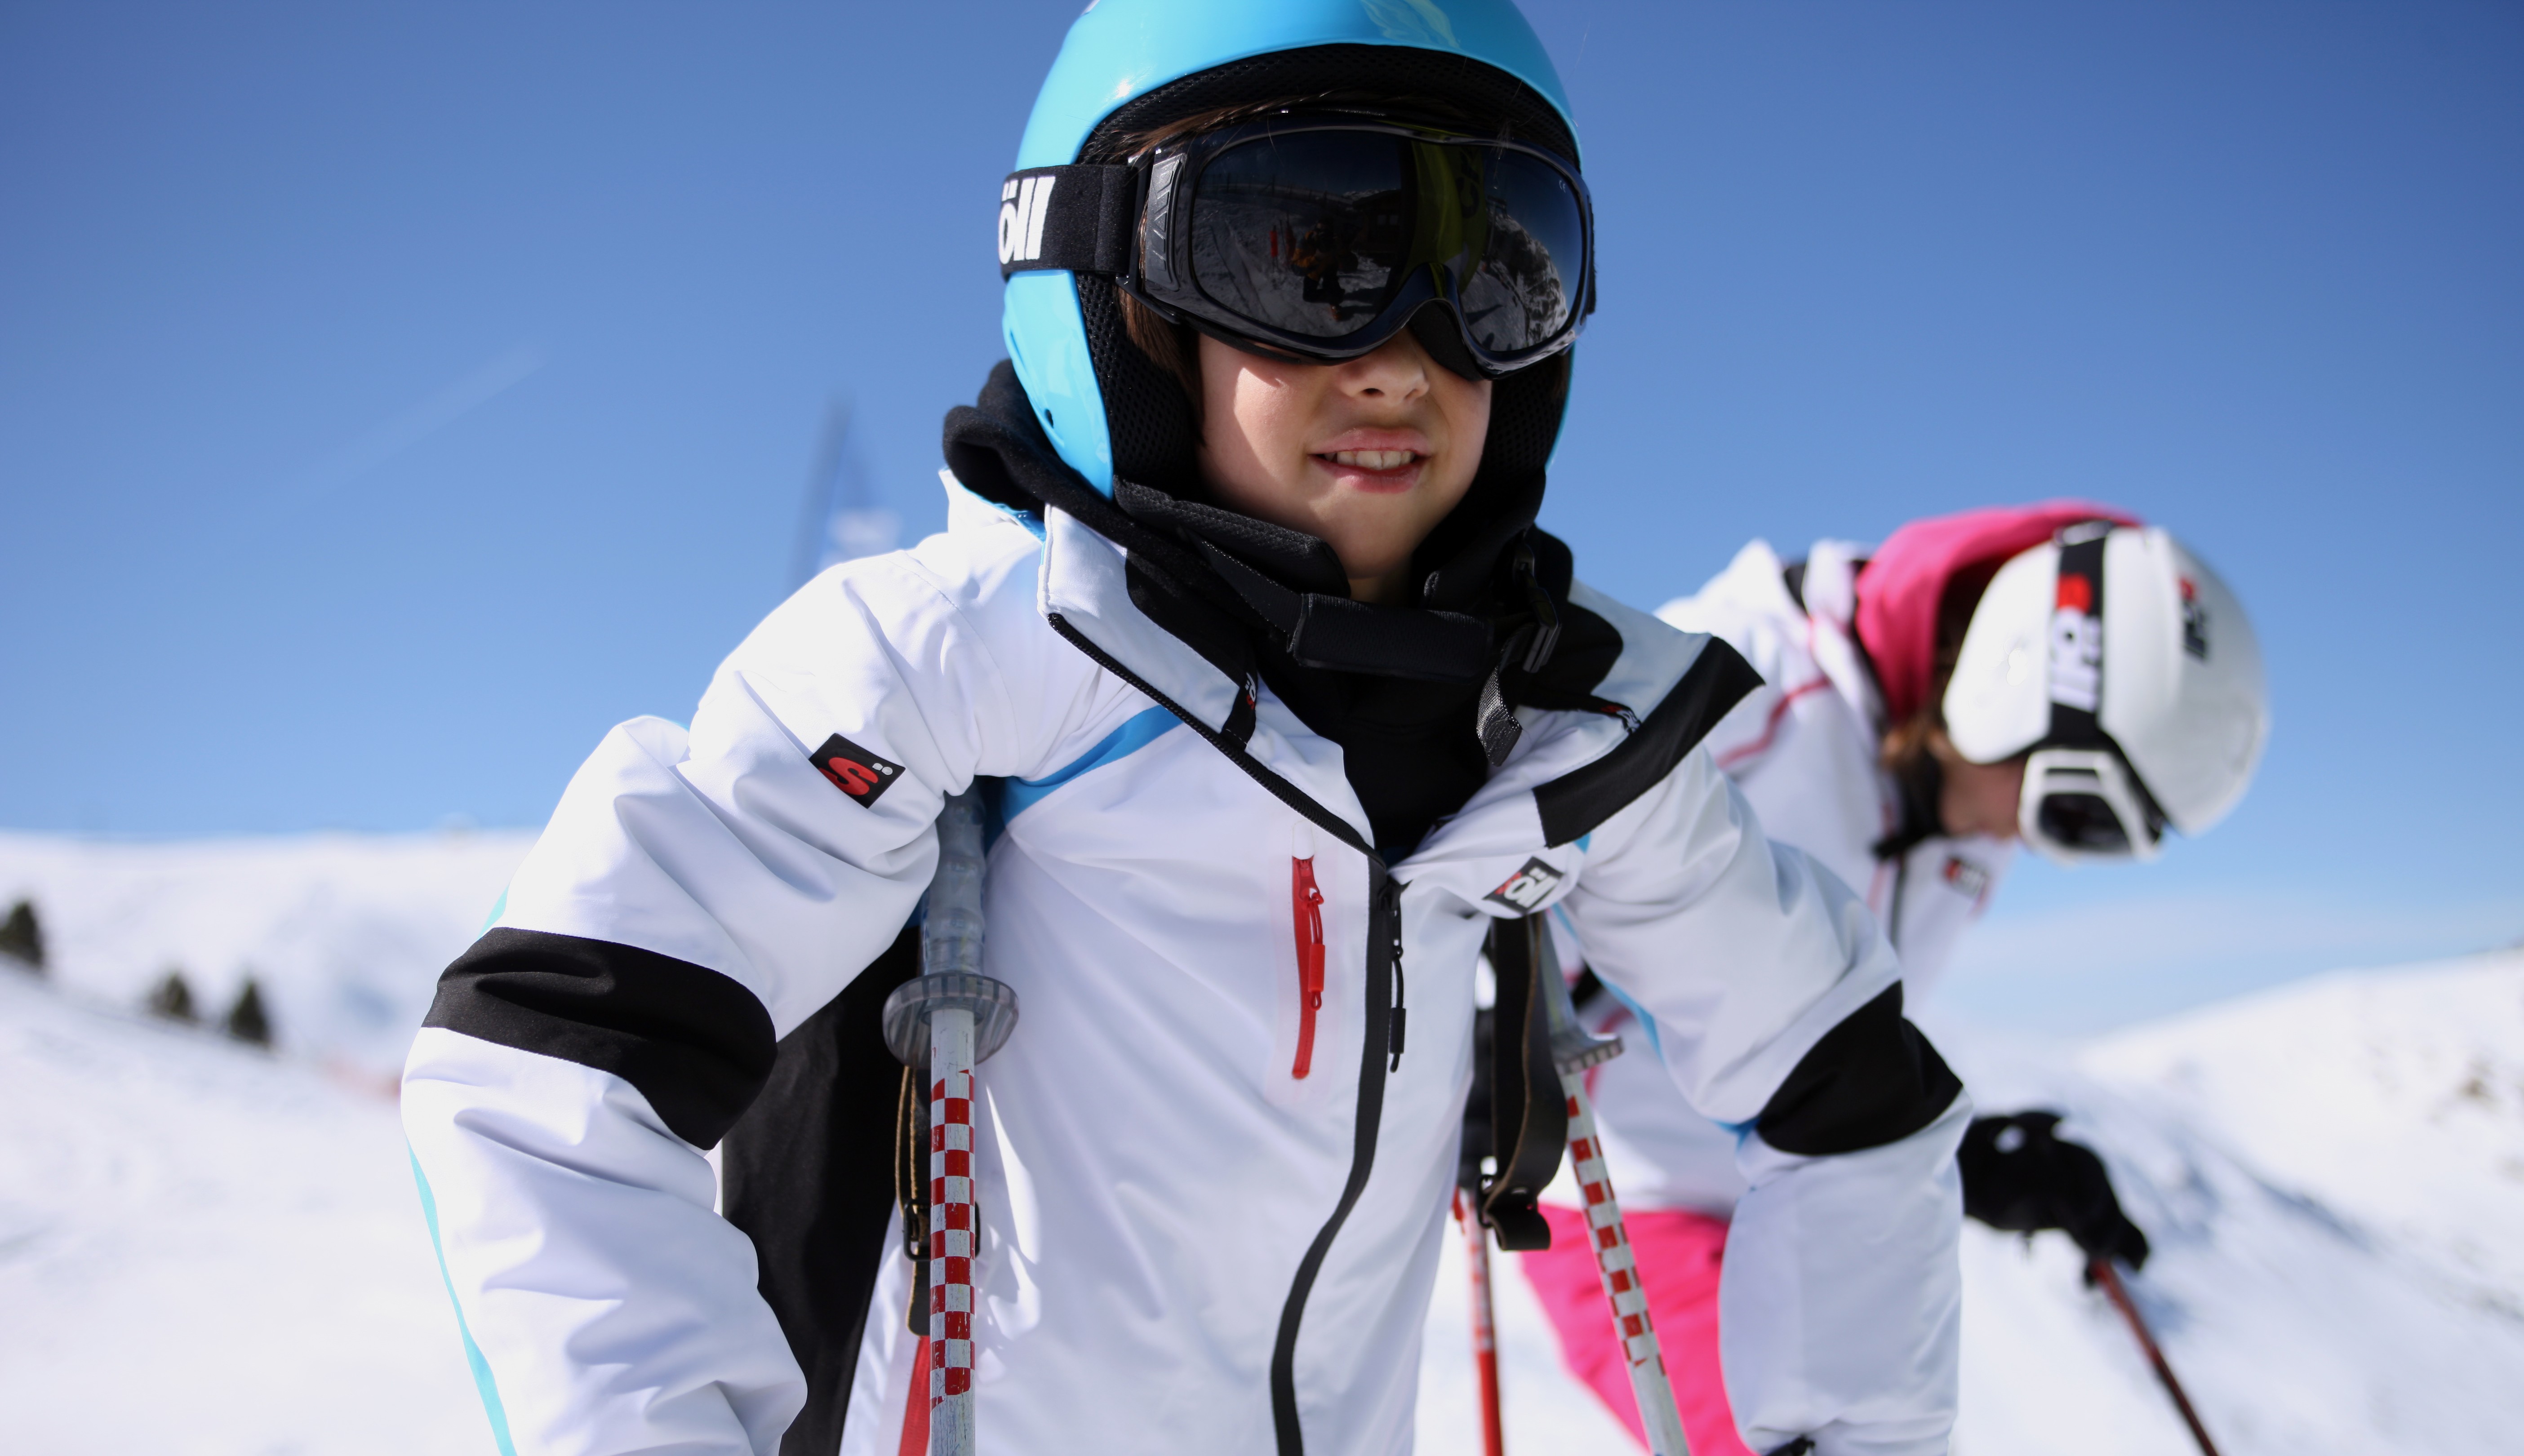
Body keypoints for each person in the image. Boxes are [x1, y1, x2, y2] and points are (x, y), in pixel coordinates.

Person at [400, 5, 1975, 1453]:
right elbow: (549, 1066)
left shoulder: (1571, 739)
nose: (1401, 358)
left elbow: (1848, 1082)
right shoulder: (957, 666)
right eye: (1307, 255)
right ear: (1129, 304)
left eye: (1494, 276)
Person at [1518, 503, 2271, 1454]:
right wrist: (1486, 1050)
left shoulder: (1965, 800)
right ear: (2012, 681)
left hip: (1806, 1199)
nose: (2039, 849)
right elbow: (1502, 858)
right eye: (2072, 812)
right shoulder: (1742, 690)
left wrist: (1968, 1162)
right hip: (1631, 1198)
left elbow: (1804, 1015)